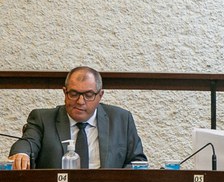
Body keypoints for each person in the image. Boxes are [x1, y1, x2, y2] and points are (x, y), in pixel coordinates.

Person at [8, 66, 146, 169]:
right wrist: (22, 153)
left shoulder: (121, 119)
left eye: (88, 95)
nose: (80, 101)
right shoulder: (43, 119)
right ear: (64, 92)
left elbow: (138, 162)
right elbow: (27, 142)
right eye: (73, 94)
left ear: (100, 95)